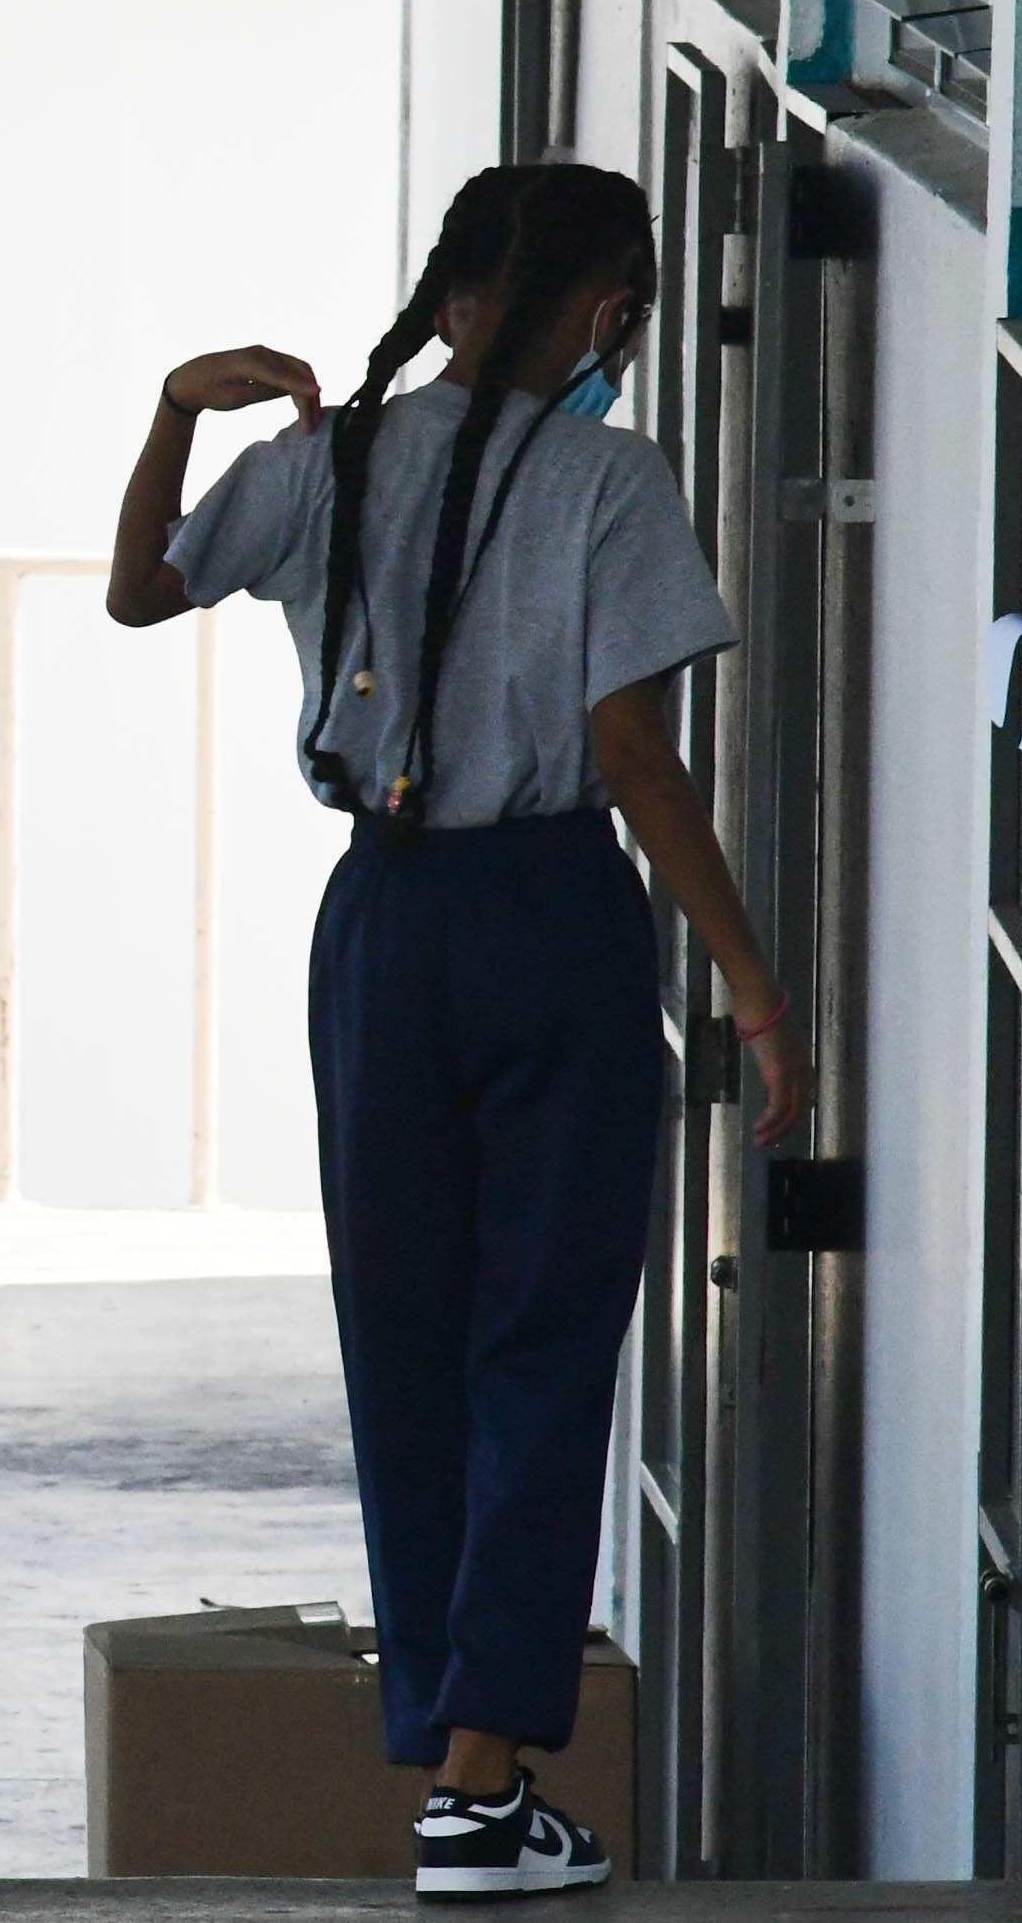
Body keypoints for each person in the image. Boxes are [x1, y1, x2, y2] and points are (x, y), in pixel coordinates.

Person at [104, 160, 812, 1899]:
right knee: (542, 1343)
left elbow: (139, 590)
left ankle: (460, 1767)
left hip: (382, 925)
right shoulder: (610, 480)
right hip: (551, 916)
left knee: (403, 1342)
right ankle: (483, 1784)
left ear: (447, 298)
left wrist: (174, 411)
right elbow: (634, 756)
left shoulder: (328, 460)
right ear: (609, 312)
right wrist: (753, 981)